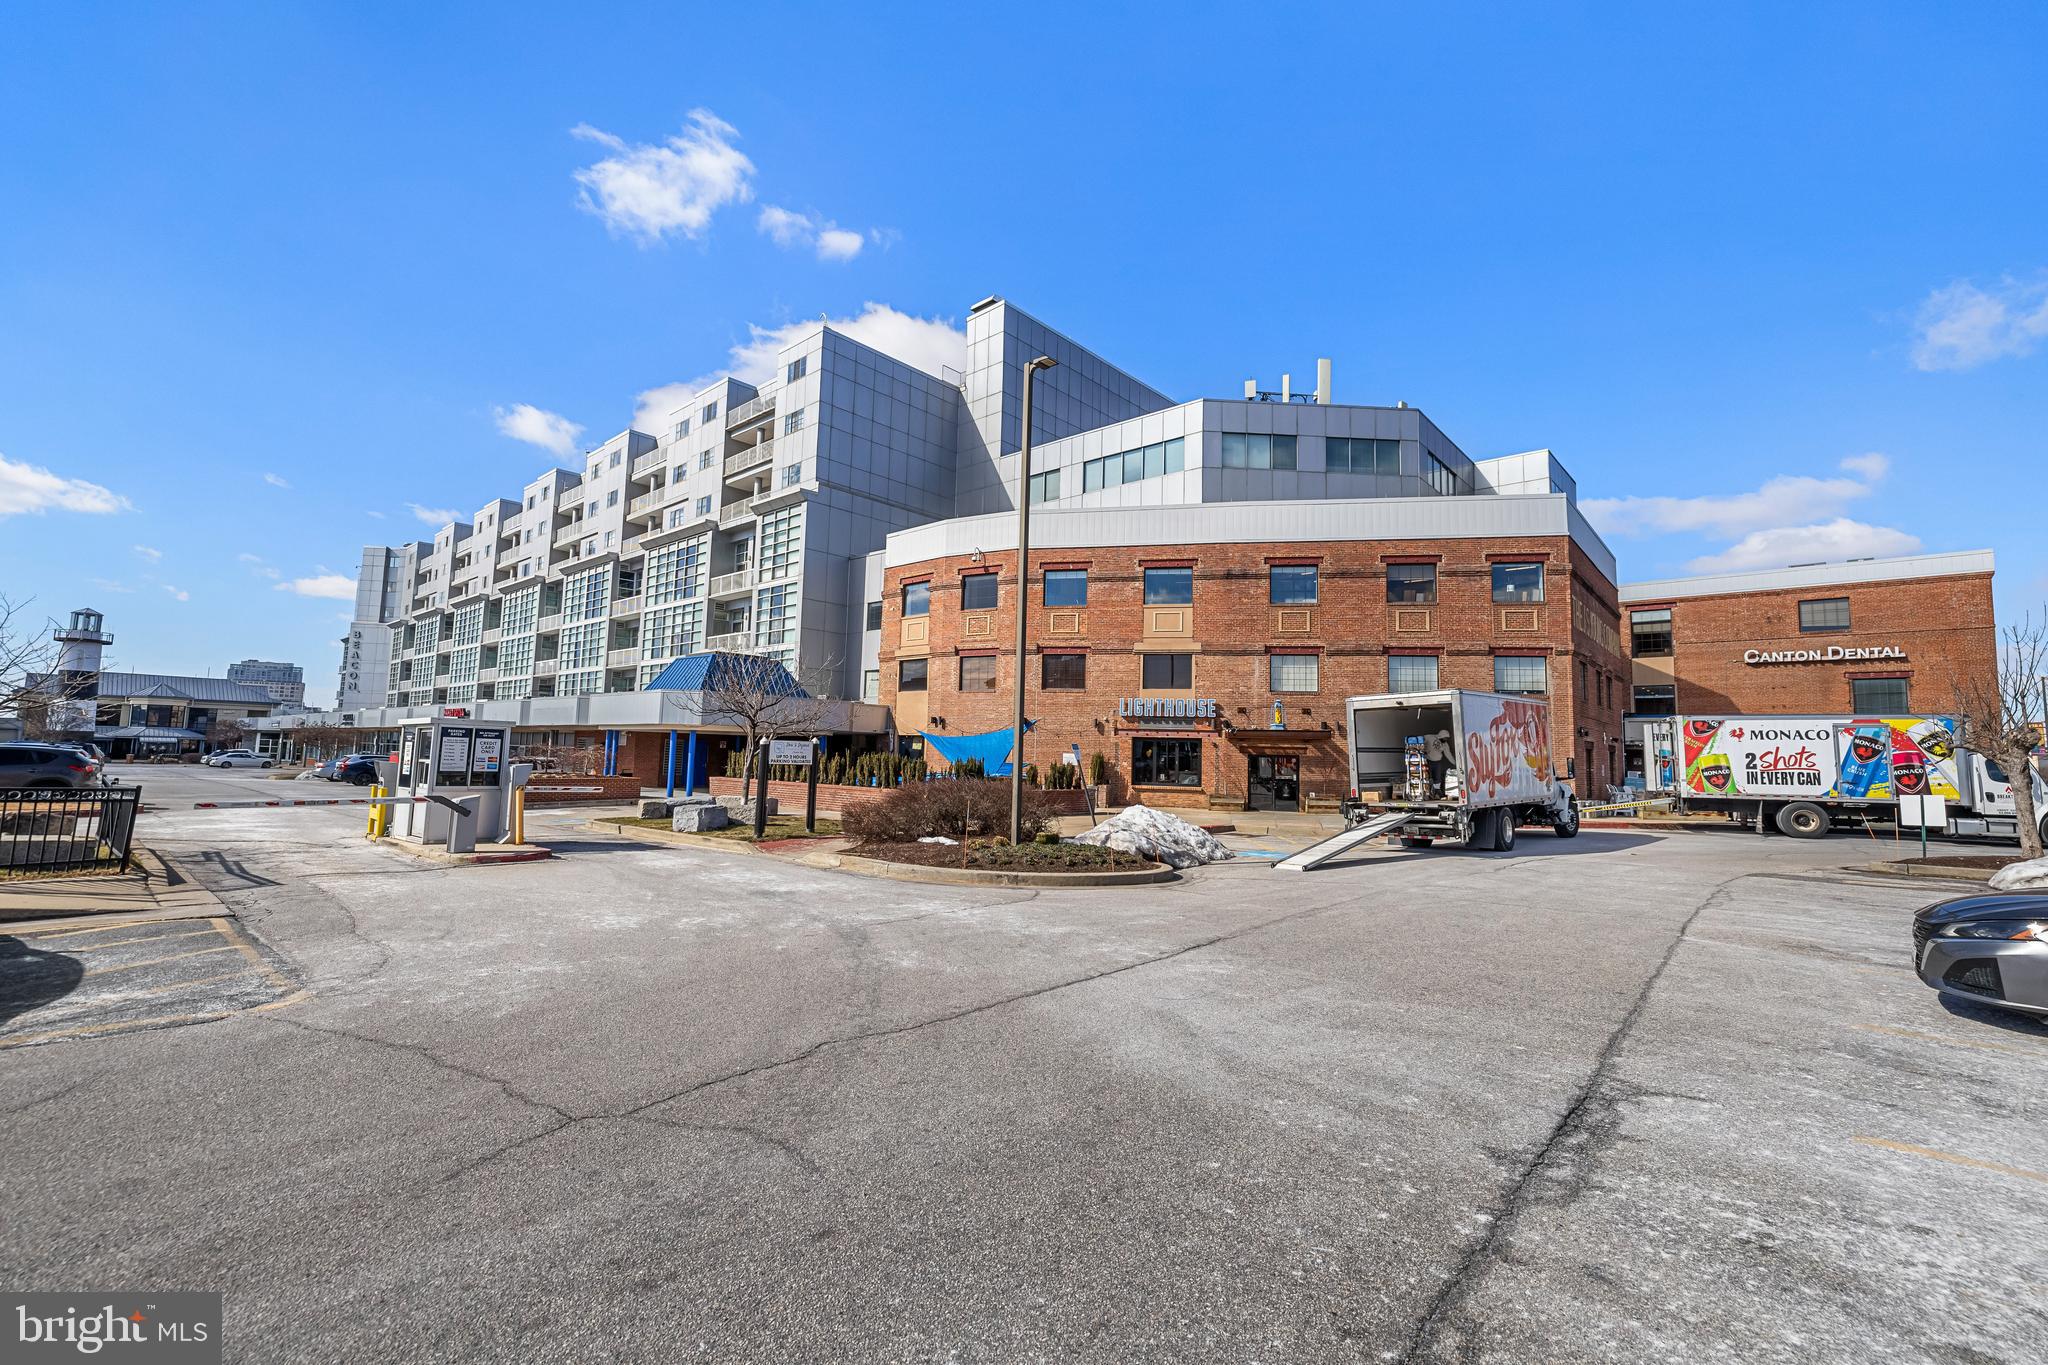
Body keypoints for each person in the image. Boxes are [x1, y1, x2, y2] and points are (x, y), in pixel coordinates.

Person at [1422, 729, 1453, 796]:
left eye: (1447, 738)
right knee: (1428, 776)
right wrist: (1422, 749)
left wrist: (1455, 763)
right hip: (1428, 761)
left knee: (1437, 777)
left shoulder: (1445, 745)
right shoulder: (1430, 737)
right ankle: (1428, 791)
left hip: (1437, 762)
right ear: (1441, 735)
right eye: (1445, 737)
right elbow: (1420, 739)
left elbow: (1448, 754)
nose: (1446, 739)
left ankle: (1437, 791)